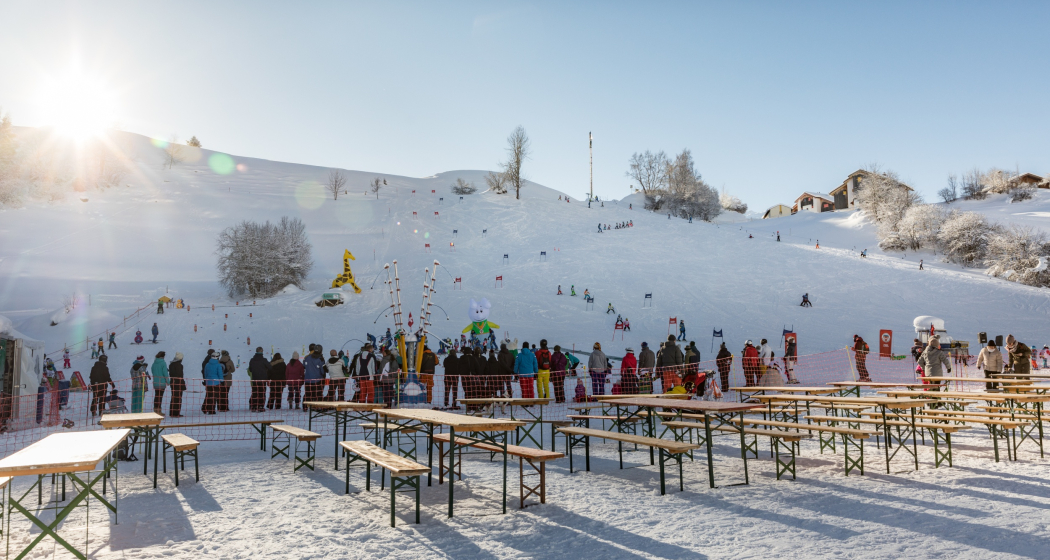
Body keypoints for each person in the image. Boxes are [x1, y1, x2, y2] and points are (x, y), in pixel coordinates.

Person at [249, 347, 270, 412]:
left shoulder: (252, 360)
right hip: (263, 379)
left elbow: (250, 369)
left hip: (255, 379)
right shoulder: (264, 360)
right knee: (262, 393)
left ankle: (254, 406)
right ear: (261, 351)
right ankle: (260, 406)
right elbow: (270, 367)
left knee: (255, 393)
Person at [168, 352, 186, 417]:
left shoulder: (171, 364)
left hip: (173, 382)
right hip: (178, 383)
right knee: (178, 398)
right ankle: (176, 412)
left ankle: (172, 412)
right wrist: (183, 385)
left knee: (173, 397)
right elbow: (180, 376)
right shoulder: (179, 365)